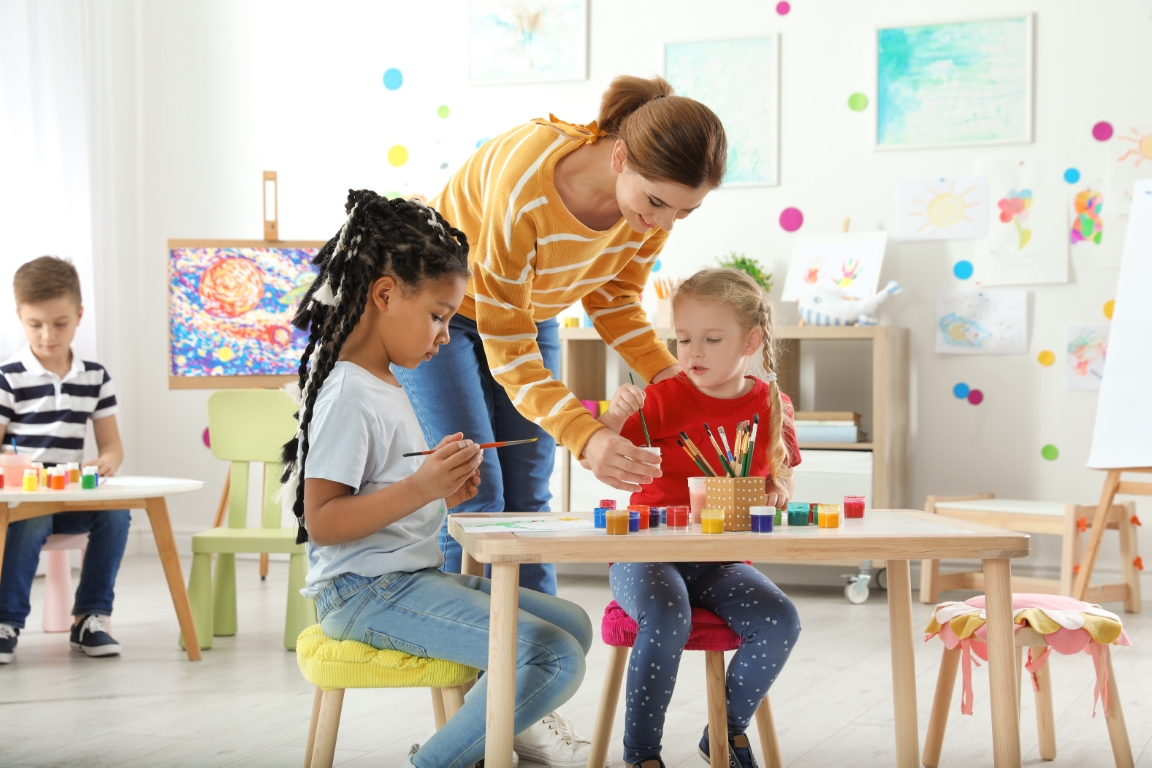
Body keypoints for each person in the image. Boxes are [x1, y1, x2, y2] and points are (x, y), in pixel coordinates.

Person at [279, 190, 593, 768]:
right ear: (384, 294)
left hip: (405, 578)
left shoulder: (388, 383)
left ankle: (486, 736)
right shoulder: (349, 391)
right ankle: (444, 758)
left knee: (571, 623)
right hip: (363, 594)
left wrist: (442, 490)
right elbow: (322, 522)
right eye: (438, 316)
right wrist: (422, 489)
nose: (446, 335)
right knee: (555, 658)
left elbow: (386, 494)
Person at [596, 268, 803, 768]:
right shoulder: (663, 397)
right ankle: (642, 754)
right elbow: (605, 460)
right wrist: (614, 415)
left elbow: (781, 477)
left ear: (751, 340)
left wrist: (776, 493)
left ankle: (725, 731)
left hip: (720, 560)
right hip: (646, 553)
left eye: (711, 339)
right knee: (668, 614)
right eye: (683, 339)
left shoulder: (772, 404)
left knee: (781, 620)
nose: (692, 353)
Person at [0, 256, 127, 663]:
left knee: (116, 513)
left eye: (59, 324)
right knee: (32, 515)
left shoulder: (94, 377)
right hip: (23, 501)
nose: (47, 335)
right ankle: (6, 622)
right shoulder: (8, 377)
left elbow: (112, 447)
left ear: (78, 316)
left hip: (70, 494)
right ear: (19, 317)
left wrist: (103, 462)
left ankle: (90, 617)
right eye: (35, 324)